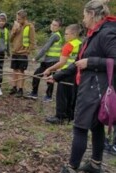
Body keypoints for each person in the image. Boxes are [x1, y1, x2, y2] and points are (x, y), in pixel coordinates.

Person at [46, 1, 116, 172]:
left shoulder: (107, 33)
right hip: (91, 87)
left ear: (92, 14)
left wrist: (91, 62)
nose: (83, 19)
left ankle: (71, 167)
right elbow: (78, 63)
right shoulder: (93, 34)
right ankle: (95, 164)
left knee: (80, 128)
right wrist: (56, 76)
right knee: (96, 126)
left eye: (84, 15)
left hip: (95, 90)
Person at [44, 24, 82, 124]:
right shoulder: (81, 44)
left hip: (65, 74)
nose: (65, 36)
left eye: (66, 34)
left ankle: (59, 117)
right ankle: (70, 116)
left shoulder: (68, 46)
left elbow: (62, 62)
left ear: (73, 34)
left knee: (61, 96)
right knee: (72, 96)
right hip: (76, 74)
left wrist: (49, 69)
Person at [25, 19, 63, 102]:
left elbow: (45, 48)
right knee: (37, 74)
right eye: (52, 24)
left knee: (49, 79)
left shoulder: (55, 36)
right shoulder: (53, 34)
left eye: (55, 25)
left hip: (52, 62)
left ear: (59, 27)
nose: (52, 26)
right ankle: (34, 93)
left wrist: (36, 58)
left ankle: (48, 97)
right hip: (47, 60)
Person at [9, 9, 36, 98]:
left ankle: (20, 90)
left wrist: (27, 51)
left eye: (19, 19)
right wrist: (14, 31)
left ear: (24, 18)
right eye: (17, 19)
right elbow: (10, 39)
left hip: (23, 53)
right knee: (14, 70)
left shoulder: (30, 27)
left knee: (21, 71)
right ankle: (14, 87)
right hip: (15, 52)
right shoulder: (16, 26)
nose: (17, 20)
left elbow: (33, 42)